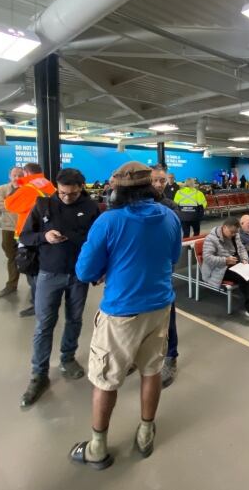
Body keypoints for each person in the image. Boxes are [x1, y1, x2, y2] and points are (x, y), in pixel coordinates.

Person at [71, 162, 182, 470]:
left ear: (118, 190)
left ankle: (97, 448)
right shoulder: (170, 217)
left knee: (106, 379)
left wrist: (109, 267)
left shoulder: (109, 221)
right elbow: (173, 258)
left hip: (121, 312)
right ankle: (146, 433)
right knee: (151, 370)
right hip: (160, 306)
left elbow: (85, 271)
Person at [19, 168, 100, 407]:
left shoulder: (92, 208)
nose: (66, 198)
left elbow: (97, 241)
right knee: (44, 324)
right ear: (57, 186)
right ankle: (39, 373)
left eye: (72, 194)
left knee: (75, 319)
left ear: (82, 188)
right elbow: (25, 236)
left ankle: (68, 357)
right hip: (48, 273)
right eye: (62, 193)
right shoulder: (43, 206)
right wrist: (45, 237)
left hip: (78, 275)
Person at [5, 162, 56, 317]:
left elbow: (10, 205)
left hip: (29, 235)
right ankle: (47, 300)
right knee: (42, 270)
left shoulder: (28, 188)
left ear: (27, 173)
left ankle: (37, 304)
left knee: (31, 271)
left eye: (21, 175)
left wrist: (17, 185)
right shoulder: (48, 184)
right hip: (46, 233)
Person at [202, 218, 249, 321]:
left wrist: (244, 259)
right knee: (245, 277)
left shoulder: (235, 234)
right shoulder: (211, 238)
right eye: (232, 232)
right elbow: (207, 258)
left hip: (234, 263)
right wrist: (225, 260)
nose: (234, 234)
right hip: (218, 269)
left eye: (235, 232)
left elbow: (241, 249)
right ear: (224, 227)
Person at [150, 164, 182, 388]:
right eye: (154, 180)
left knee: (167, 313)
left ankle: (171, 356)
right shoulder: (132, 205)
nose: (159, 184)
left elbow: (174, 244)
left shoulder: (170, 207)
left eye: (162, 180)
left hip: (161, 269)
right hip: (138, 270)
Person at [0, 166, 24, 298]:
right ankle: (12, 285)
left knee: (30, 257)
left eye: (20, 175)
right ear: (9, 176)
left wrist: (9, 203)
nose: (17, 178)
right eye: (15, 175)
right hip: (9, 228)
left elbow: (33, 206)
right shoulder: (3, 189)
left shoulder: (28, 190)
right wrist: (20, 205)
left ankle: (35, 287)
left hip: (25, 228)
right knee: (11, 255)